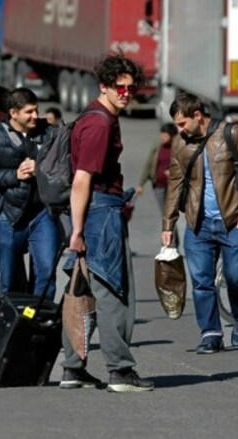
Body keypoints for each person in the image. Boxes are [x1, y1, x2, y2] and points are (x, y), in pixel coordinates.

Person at [61, 54, 154, 393]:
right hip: (99, 214)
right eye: (120, 87)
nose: (127, 93)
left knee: (80, 293)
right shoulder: (100, 123)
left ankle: (73, 369)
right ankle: (120, 371)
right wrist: (78, 231)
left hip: (95, 212)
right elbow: (82, 180)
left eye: (131, 89)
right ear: (104, 86)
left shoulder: (96, 116)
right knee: (115, 293)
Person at [161, 92, 238, 354]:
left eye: (183, 123)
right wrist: (168, 224)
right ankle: (210, 333)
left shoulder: (231, 134)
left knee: (237, 277)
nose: (179, 130)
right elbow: (174, 183)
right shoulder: (180, 143)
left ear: (198, 116)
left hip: (233, 221)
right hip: (198, 224)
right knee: (201, 282)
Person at [0, 88, 58, 299]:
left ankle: (38, 320)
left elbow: (66, 165)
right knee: (9, 279)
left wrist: (40, 167)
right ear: (13, 113)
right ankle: (12, 323)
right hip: (10, 216)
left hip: (42, 213)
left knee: (46, 272)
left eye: (36, 110)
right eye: (29, 112)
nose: (35, 116)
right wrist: (14, 175)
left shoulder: (49, 133)